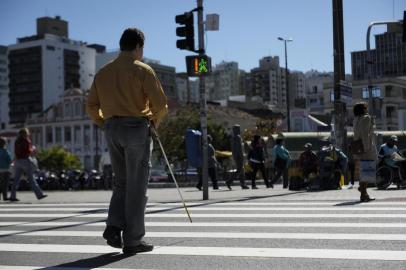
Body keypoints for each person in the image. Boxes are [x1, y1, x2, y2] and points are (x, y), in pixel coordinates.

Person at [86, 28, 168, 255]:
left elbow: (91, 106)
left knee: (121, 182)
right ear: (139, 46)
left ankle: (113, 225)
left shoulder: (103, 72)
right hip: (136, 129)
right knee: (137, 185)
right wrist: (153, 121)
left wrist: (104, 123)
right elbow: (160, 105)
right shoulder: (143, 70)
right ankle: (133, 240)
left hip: (112, 128)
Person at [10, 128, 47, 202]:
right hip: (25, 160)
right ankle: (39, 194)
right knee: (31, 179)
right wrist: (33, 149)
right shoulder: (27, 141)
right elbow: (28, 151)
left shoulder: (17, 141)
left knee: (16, 179)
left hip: (18, 161)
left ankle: (12, 196)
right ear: (25, 134)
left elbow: (16, 152)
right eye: (27, 133)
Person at [353, 102, 376, 202]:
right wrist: (366, 148)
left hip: (357, 146)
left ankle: (362, 190)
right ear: (364, 109)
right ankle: (363, 194)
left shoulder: (356, 119)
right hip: (366, 147)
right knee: (368, 169)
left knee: (364, 170)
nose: (367, 109)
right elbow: (365, 133)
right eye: (366, 107)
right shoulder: (366, 117)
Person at [226, 125, 249, 190]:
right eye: (238, 129)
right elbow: (239, 148)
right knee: (239, 170)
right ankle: (229, 181)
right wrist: (242, 156)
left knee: (241, 170)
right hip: (239, 156)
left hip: (235, 155)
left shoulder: (232, 137)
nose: (239, 130)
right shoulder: (238, 137)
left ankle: (243, 184)